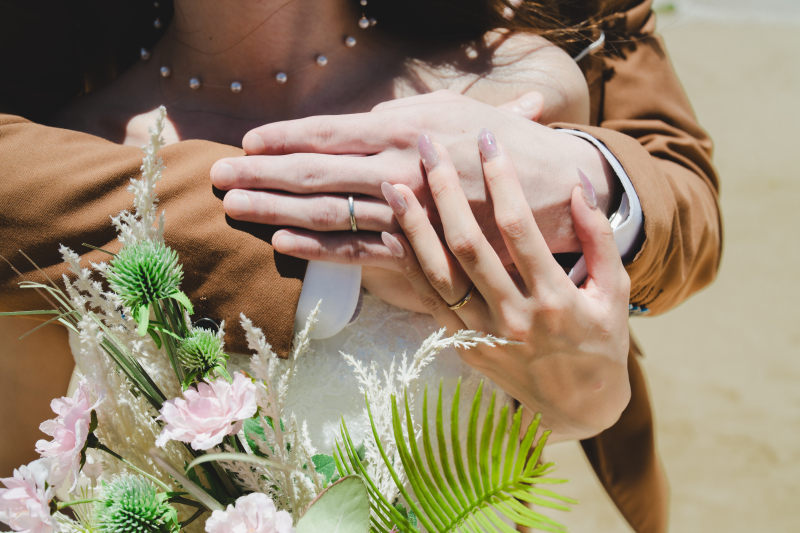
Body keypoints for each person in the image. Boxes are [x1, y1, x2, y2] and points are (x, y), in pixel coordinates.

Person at [0, 1, 722, 532]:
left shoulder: (520, 88)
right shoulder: (71, 153)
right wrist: (330, 247)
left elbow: (541, 391)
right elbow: (43, 484)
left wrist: (588, 397)